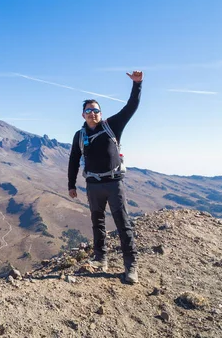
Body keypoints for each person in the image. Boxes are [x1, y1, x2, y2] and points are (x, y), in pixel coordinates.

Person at [67, 71, 143, 284]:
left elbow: (131, 107)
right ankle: (101, 258)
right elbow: (74, 159)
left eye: (96, 110)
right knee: (97, 221)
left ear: (101, 113)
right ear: (83, 115)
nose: (93, 113)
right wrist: (71, 184)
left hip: (113, 183)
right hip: (93, 184)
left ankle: (131, 266)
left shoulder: (112, 126)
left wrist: (137, 84)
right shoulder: (80, 135)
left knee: (122, 223)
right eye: (89, 110)